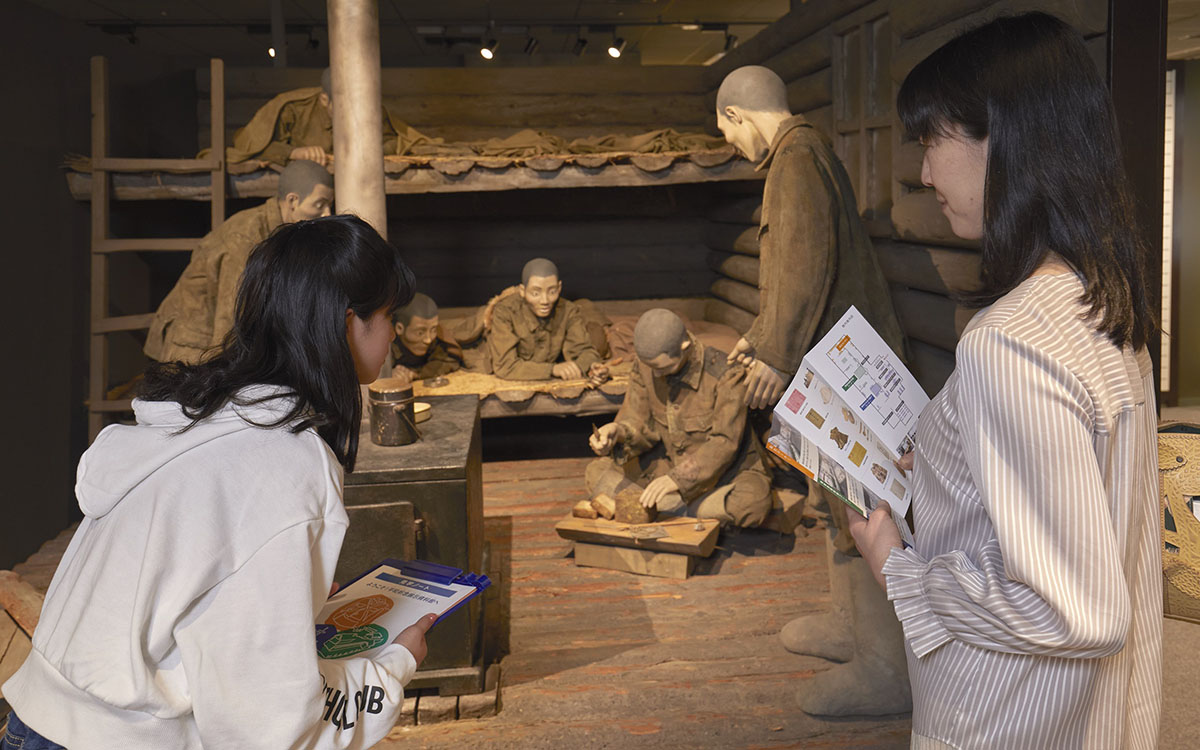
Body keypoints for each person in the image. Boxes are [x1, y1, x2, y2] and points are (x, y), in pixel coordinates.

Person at [2, 215, 435, 749]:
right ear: (347, 323)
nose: (393, 333)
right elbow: (270, 727)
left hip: (37, 722)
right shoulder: (286, 460)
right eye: (388, 314)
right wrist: (392, 668)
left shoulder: (201, 415)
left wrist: (294, 603)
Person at [847, 13, 1160, 748]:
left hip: (1003, 717)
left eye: (933, 141)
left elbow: (1072, 607)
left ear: (1007, 139)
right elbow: (1081, 497)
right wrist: (950, 469)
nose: (925, 174)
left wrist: (896, 567)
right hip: (1092, 711)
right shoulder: (1103, 300)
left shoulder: (1007, 342)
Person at [715, 65, 909, 715]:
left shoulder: (794, 161)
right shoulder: (806, 156)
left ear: (738, 115)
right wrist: (759, 334)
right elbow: (798, 273)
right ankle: (851, 626)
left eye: (725, 131)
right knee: (835, 503)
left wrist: (774, 352)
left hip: (839, 368)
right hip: (829, 359)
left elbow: (801, 265)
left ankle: (887, 667)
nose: (729, 144)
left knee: (862, 504)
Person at [587, 309, 772, 527]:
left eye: (662, 367)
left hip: (725, 474)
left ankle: (667, 507)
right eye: (651, 367)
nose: (656, 375)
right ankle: (680, 509)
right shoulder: (646, 366)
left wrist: (677, 481)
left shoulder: (726, 374)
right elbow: (639, 421)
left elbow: (724, 444)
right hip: (667, 463)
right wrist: (616, 431)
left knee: (751, 504)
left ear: (685, 348)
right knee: (595, 472)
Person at [144, 160, 334, 364]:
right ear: (293, 201)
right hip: (193, 350)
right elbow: (230, 324)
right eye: (319, 205)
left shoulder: (280, 233)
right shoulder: (245, 238)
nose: (327, 215)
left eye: (329, 206)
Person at [219, 68, 404, 167]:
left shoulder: (371, 110)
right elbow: (255, 146)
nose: (352, 114)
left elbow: (394, 142)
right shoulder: (293, 109)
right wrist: (293, 152)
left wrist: (366, 149)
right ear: (324, 99)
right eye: (342, 107)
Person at [487, 258, 608, 382]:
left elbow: (585, 350)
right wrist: (552, 369)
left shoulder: (568, 311)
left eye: (552, 291)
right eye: (535, 293)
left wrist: (590, 367)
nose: (545, 301)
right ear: (522, 291)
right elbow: (505, 366)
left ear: (559, 288)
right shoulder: (505, 312)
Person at [389, 293, 463, 381]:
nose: (428, 340)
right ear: (399, 328)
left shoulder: (436, 339)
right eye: (420, 333)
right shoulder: (386, 343)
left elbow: (448, 359)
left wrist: (416, 374)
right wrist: (388, 374)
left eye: (433, 330)